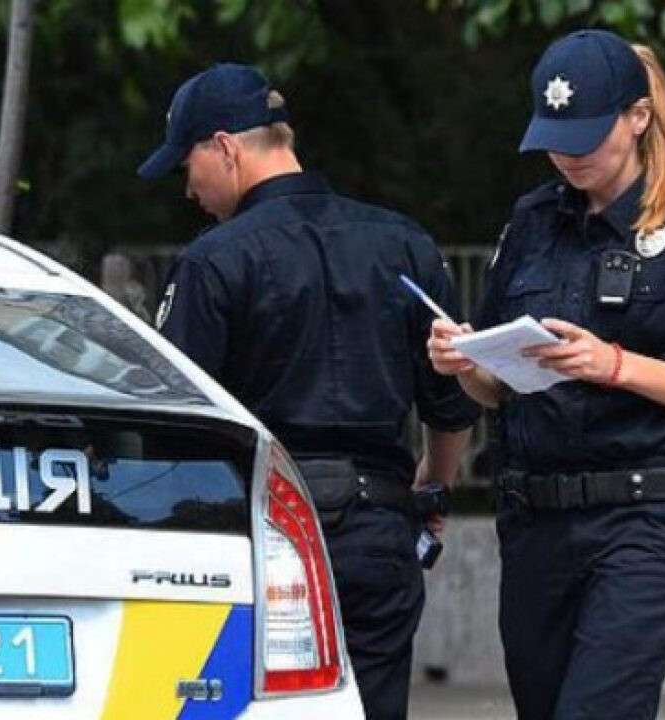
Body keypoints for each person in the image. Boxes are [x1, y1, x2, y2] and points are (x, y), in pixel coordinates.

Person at [427, 30, 665, 720]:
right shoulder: (532, 220)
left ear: (638, 117)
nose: (570, 155)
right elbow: (496, 388)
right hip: (538, 521)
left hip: (648, 518)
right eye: (555, 139)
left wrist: (614, 365)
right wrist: (464, 362)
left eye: (587, 136)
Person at [138, 62, 479, 719]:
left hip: (267, 533)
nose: (188, 188)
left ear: (225, 147)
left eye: (187, 164)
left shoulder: (214, 260)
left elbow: (178, 422)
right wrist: (432, 487)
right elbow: (452, 397)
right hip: (380, 528)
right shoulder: (404, 243)